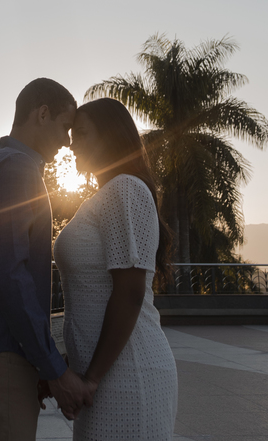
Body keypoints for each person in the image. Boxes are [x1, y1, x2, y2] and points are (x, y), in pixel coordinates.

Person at [0, 78, 96, 440]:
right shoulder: (17, 169)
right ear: (42, 114)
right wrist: (53, 370)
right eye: (65, 127)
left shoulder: (4, 165)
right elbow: (10, 277)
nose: (67, 140)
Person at [53, 97, 178, 441]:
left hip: (128, 373)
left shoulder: (125, 189)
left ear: (108, 137)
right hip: (104, 374)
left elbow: (130, 293)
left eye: (80, 133)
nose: (71, 143)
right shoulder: (104, 195)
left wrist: (91, 378)